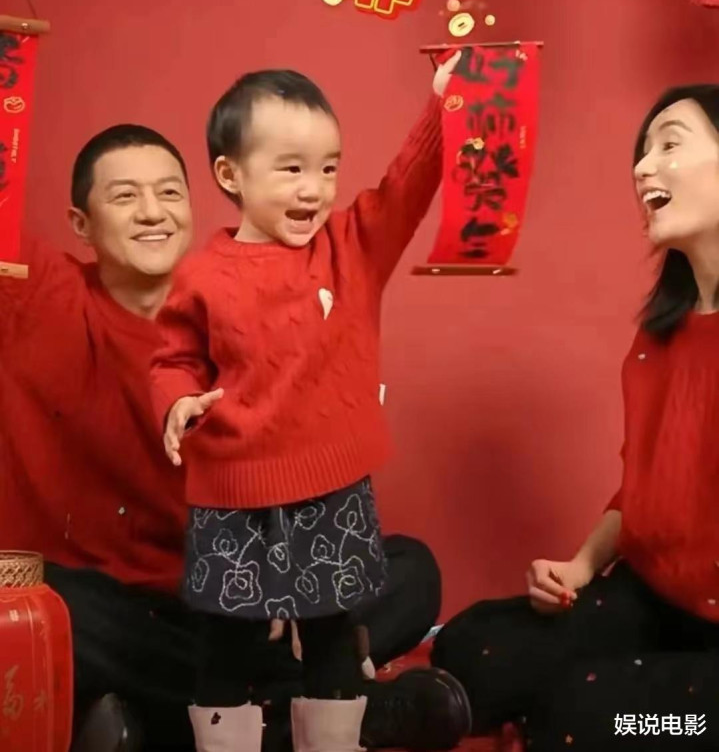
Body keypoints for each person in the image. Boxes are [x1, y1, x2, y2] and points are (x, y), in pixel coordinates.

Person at [0, 123, 467, 752]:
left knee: (410, 571)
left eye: (170, 192)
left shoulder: (237, 296)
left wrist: (282, 577)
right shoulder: (41, 296)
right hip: (123, 606)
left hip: (241, 577)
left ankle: (177, 719)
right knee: (46, 606)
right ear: (81, 224)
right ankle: (322, 709)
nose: (152, 212)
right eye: (125, 196)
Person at [150, 58, 461, 752]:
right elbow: (172, 360)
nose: (314, 188)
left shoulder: (353, 247)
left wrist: (445, 106)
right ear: (231, 175)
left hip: (331, 489)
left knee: (331, 637)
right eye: (291, 168)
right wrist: (177, 402)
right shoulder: (202, 275)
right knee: (224, 645)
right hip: (232, 496)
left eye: (328, 168)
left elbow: (407, 187)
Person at [432, 84, 719, 750]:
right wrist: (583, 566)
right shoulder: (658, 339)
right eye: (641, 152)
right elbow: (643, 491)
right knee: (470, 647)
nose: (642, 167)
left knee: (583, 716)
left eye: (669, 144)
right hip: (655, 599)